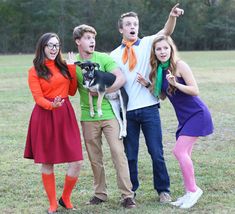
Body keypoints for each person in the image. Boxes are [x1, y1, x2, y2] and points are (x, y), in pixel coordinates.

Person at [110, 4, 184, 203]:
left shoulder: (148, 43)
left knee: (156, 152)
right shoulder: (114, 55)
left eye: (135, 23)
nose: (133, 27)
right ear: (121, 29)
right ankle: (130, 191)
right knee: (130, 155)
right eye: (128, 24)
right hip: (128, 113)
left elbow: (166, 32)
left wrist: (172, 16)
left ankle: (163, 190)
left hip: (149, 109)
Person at [139, 35, 214, 209]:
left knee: (179, 152)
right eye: (158, 49)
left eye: (165, 48)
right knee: (184, 155)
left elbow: (195, 90)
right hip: (184, 118)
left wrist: (176, 83)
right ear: (154, 52)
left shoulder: (180, 66)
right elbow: (163, 96)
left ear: (171, 49)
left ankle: (194, 190)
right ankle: (189, 192)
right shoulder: (159, 70)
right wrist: (147, 84)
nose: (162, 52)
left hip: (197, 114)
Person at [72, 24, 136, 208]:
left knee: (118, 153)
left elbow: (120, 78)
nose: (92, 41)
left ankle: (127, 195)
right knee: (94, 157)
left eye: (93, 38)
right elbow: (67, 87)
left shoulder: (103, 58)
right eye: (87, 38)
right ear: (78, 41)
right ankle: (100, 194)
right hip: (87, 116)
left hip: (109, 115)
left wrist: (102, 90)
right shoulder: (74, 63)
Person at [24, 33, 83, 214]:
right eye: (50, 45)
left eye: (56, 45)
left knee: (77, 161)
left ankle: (65, 198)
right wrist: (52, 105)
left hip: (65, 114)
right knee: (48, 161)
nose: (53, 49)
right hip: (44, 116)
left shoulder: (64, 66)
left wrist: (72, 68)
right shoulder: (34, 70)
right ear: (42, 47)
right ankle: (52, 203)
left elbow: (72, 91)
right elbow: (38, 97)